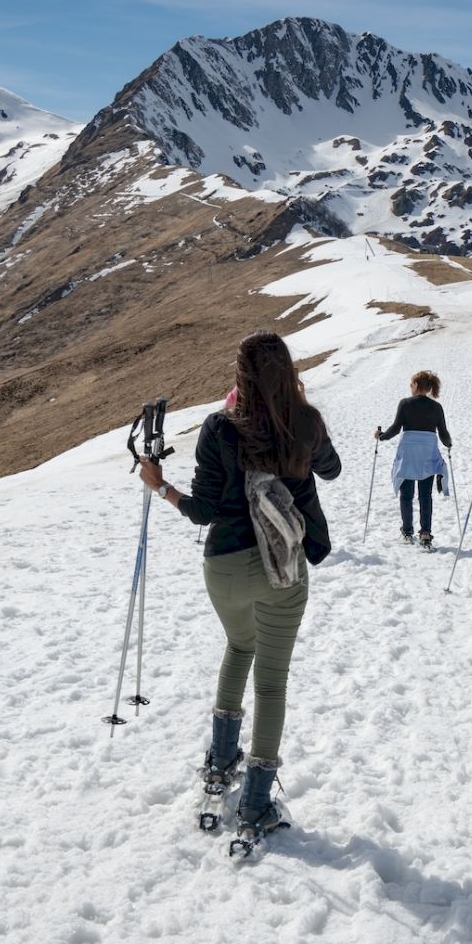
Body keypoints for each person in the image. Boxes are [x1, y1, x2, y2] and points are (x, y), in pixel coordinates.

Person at [137, 331, 341, 833]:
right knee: (271, 683)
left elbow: (202, 510)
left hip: (224, 565)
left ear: (241, 374)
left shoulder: (220, 427)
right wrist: (303, 430)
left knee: (237, 647)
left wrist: (158, 484)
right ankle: (255, 804)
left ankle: (220, 762)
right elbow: (332, 471)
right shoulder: (305, 422)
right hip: (283, 569)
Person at [376, 370, 453, 548]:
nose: (410, 387)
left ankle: (407, 531)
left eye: (411, 384)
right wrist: (448, 444)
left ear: (416, 385)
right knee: (425, 495)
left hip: (408, 454)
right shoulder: (436, 407)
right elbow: (443, 432)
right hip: (427, 453)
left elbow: (396, 428)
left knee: (406, 494)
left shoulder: (405, 403)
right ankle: (425, 534)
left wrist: (382, 436)